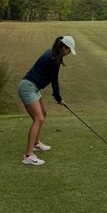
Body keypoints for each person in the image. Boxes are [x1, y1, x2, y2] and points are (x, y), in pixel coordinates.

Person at [17, 35, 76, 166]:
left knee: (43, 113)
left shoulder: (53, 54)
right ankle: (28, 155)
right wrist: (59, 98)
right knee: (39, 119)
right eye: (69, 50)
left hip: (33, 87)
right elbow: (54, 80)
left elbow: (52, 79)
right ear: (63, 47)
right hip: (28, 88)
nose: (69, 53)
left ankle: (36, 143)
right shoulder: (53, 59)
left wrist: (58, 97)